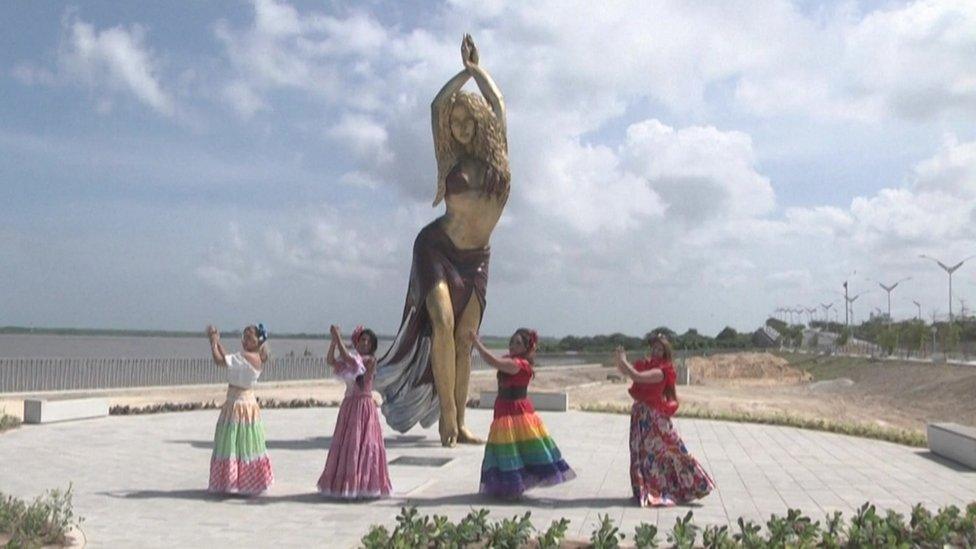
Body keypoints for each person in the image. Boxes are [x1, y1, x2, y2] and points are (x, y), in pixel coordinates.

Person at [376, 34, 510, 447]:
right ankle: (447, 421)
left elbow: (499, 105)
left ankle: (461, 420)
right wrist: (460, 75)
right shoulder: (449, 158)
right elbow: (437, 106)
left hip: (477, 260)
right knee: (443, 325)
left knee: (465, 341)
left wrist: (477, 71)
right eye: (454, 125)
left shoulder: (497, 156)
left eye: (466, 121)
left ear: (480, 121)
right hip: (436, 249)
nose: (460, 128)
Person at [471, 328, 575, 498]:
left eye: (518, 343)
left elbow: (492, 361)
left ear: (526, 348)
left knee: (512, 450)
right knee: (506, 451)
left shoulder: (519, 365)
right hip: (504, 410)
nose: (512, 345)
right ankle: (509, 486)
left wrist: (478, 345)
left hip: (516, 413)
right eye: (511, 342)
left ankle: (514, 487)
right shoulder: (511, 361)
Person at [615, 333, 714, 507]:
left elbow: (636, 376)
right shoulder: (647, 365)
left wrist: (624, 362)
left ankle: (692, 485)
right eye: (654, 347)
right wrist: (619, 360)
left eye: (660, 349)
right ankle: (644, 489)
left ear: (665, 352)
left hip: (654, 418)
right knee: (641, 454)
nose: (656, 351)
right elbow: (628, 372)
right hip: (641, 416)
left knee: (669, 451)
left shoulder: (661, 371)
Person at [317, 325, 392, 499]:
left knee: (362, 443)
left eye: (368, 341)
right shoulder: (353, 359)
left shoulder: (369, 361)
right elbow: (331, 360)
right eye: (362, 340)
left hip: (363, 406)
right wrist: (334, 342)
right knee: (347, 444)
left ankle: (363, 484)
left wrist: (338, 337)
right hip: (349, 406)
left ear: (372, 345)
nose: (364, 343)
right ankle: (344, 484)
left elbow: (349, 360)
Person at [206, 324, 274, 495]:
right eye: (243, 337)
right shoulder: (256, 357)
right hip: (248, 403)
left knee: (233, 442)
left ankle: (232, 480)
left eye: (248, 338)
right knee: (246, 443)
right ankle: (249, 480)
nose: (244, 340)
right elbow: (229, 358)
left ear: (256, 341)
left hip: (237, 404)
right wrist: (218, 342)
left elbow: (220, 361)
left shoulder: (245, 356)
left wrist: (213, 343)